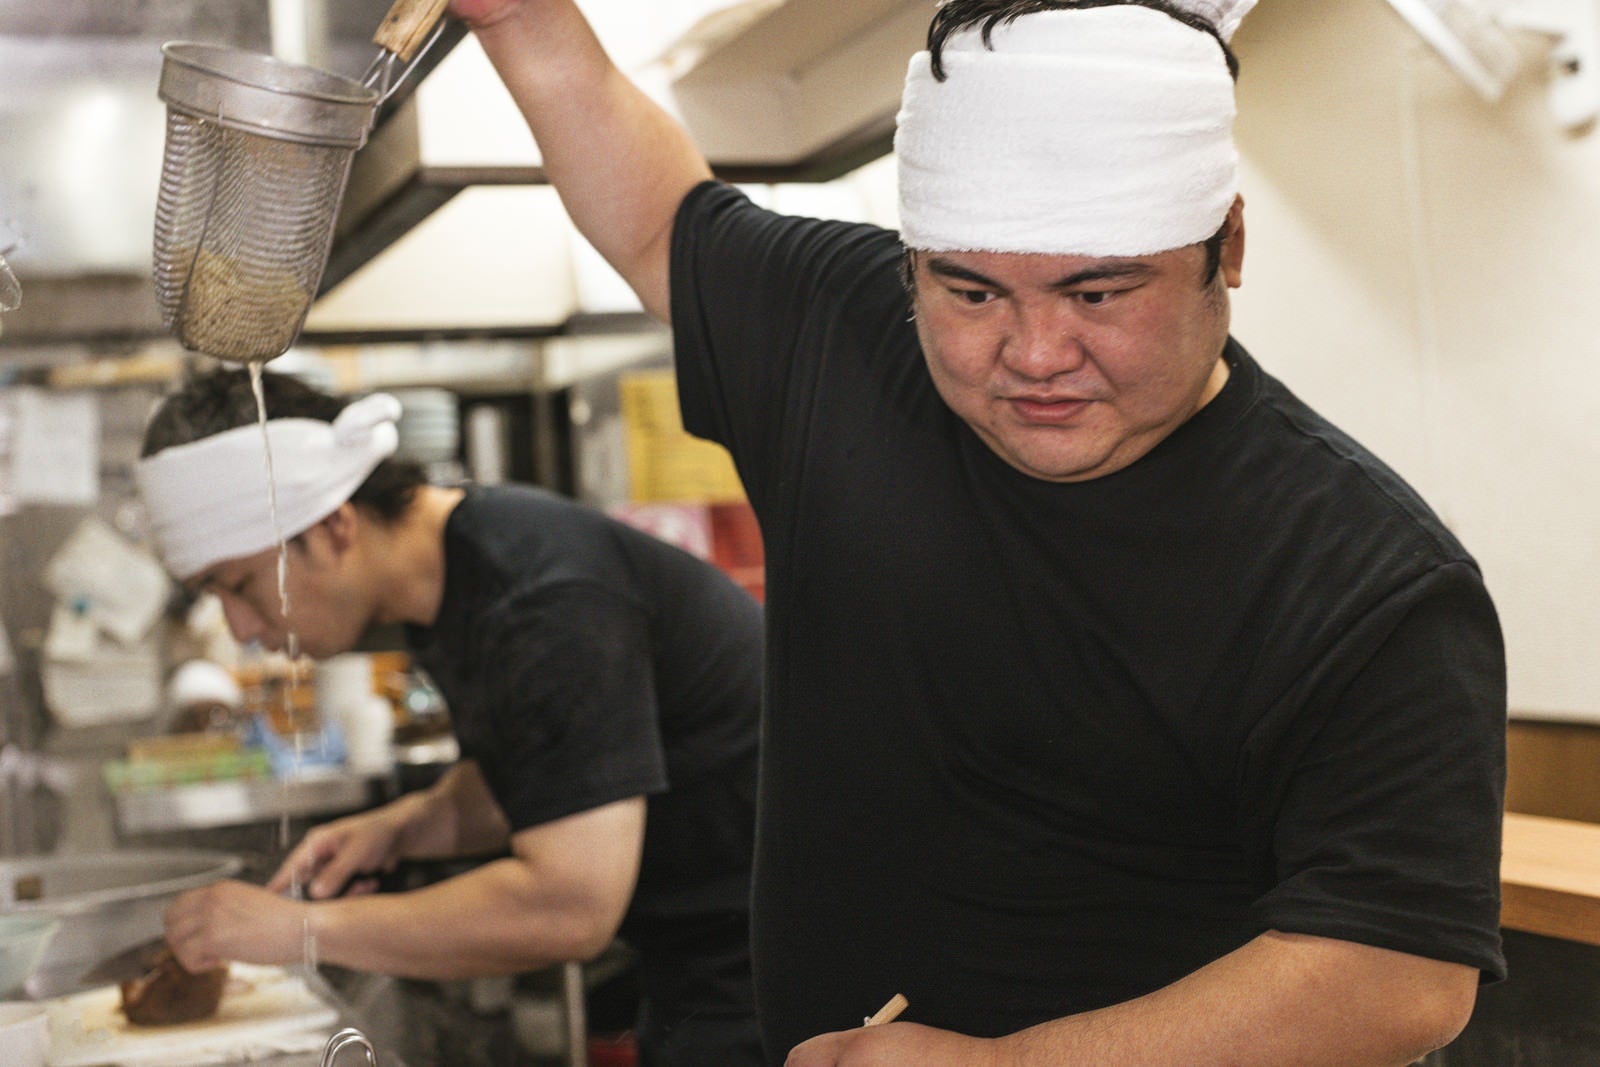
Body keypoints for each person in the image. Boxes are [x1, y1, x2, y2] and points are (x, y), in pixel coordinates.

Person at [451, 1, 1510, 1064]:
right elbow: (654, 220)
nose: (1035, 350)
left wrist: (1001, 1064)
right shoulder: (856, 342)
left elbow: (1397, 974)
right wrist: (522, 21)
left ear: (1223, 246)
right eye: (969, 289)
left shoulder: (1366, 577)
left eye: (1097, 290)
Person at [133, 368, 765, 1066]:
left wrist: (303, 931)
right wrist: (400, 829)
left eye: (241, 585)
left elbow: (569, 905)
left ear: (334, 524)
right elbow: (554, 771)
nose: (240, 626)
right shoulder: (466, 569)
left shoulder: (542, 600)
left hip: (788, 974)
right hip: (710, 966)